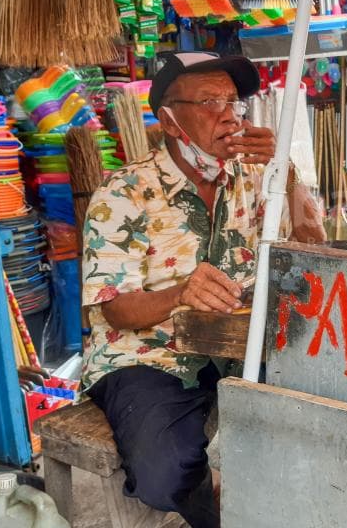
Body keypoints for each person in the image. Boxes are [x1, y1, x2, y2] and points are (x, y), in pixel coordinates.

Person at [80, 51, 325, 527]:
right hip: (152, 356)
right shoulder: (123, 192)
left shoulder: (256, 177)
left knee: (320, 425)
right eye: (210, 101)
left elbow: (312, 244)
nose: (230, 115)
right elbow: (115, 312)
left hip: (241, 346)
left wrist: (286, 170)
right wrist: (178, 294)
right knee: (165, 474)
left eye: (234, 101)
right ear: (170, 121)